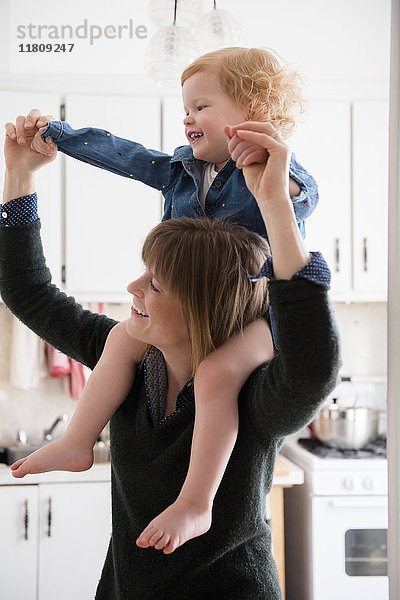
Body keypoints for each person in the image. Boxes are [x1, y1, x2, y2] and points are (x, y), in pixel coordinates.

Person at [0, 116, 340, 599]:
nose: (132, 288)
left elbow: (313, 365)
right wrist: (20, 175)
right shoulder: (129, 360)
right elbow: (28, 292)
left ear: (204, 305)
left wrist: (275, 205)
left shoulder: (257, 399)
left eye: (155, 284)